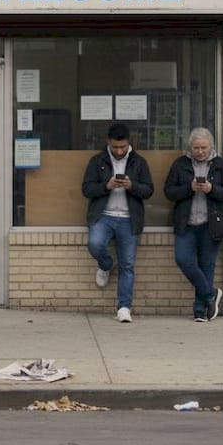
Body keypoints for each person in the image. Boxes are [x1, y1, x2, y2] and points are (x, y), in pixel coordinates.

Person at [164, 127, 223, 322]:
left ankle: (200, 310)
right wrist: (189, 188)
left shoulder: (220, 165)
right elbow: (169, 192)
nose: (199, 151)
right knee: (183, 260)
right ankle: (211, 293)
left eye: (203, 148)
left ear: (211, 146)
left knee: (207, 266)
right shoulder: (181, 164)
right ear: (190, 147)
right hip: (186, 223)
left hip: (210, 225)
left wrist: (211, 189)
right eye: (196, 147)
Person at [82, 122, 154, 323]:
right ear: (108, 142)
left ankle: (124, 307)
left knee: (128, 265)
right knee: (95, 244)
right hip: (103, 215)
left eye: (123, 146)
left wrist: (132, 186)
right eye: (115, 147)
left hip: (128, 219)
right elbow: (86, 189)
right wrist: (106, 186)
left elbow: (149, 190)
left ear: (129, 142)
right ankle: (106, 264)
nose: (119, 150)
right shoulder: (98, 161)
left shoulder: (139, 162)